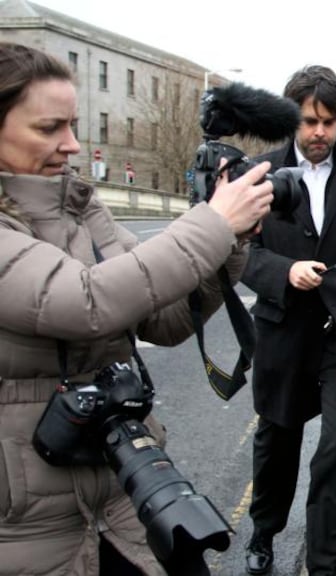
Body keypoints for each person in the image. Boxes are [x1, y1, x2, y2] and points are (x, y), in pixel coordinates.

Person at [0, 42, 272, 575]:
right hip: (28, 527)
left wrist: (232, 242)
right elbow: (87, 301)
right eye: (48, 128)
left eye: (73, 125)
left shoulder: (78, 204)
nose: (72, 145)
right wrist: (213, 224)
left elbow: (164, 320)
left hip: (125, 495)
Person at [240, 65, 336, 575]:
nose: (319, 132)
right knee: (277, 439)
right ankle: (264, 531)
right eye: (308, 121)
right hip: (284, 331)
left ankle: (328, 563)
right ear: (292, 121)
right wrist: (286, 272)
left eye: (329, 121)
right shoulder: (258, 174)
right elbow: (239, 254)